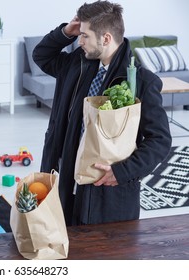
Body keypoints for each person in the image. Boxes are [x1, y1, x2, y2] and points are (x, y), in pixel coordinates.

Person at [33, 0, 172, 226]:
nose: (80, 40)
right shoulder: (76, 64)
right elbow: (41, 55)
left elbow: (160, 140)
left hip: (106, 191)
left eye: (85, 35)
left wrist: (123, 171)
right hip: (65, 178)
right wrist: (66, 31)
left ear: (105, 38)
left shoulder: (142, 82)